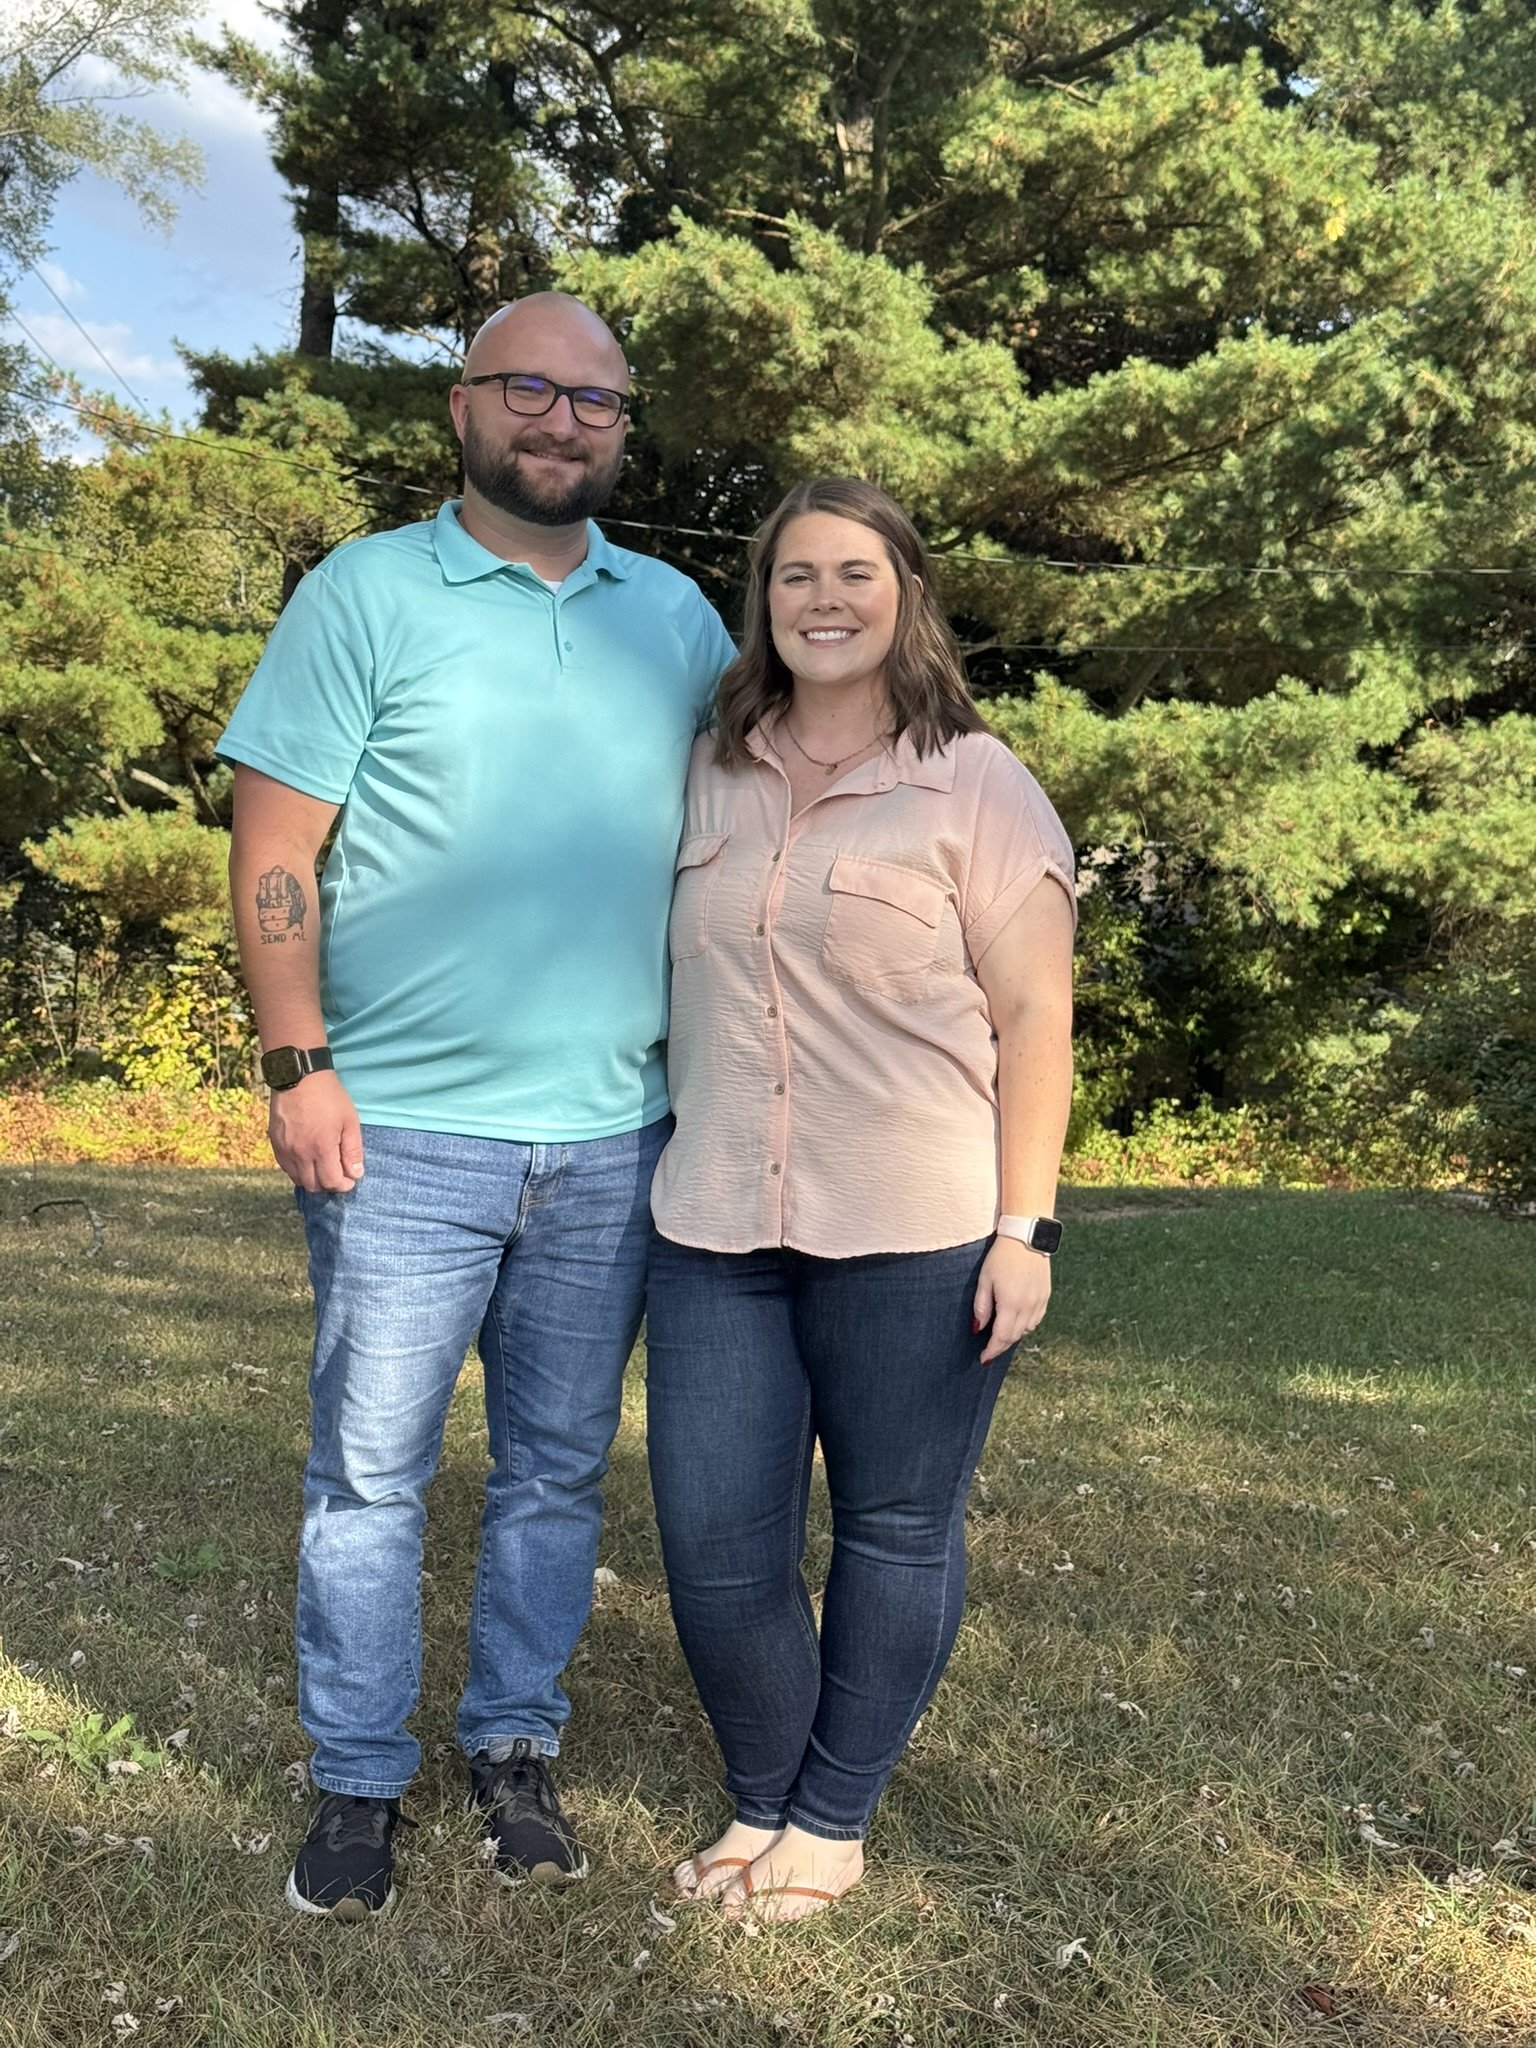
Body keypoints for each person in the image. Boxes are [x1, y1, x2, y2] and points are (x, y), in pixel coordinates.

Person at [220, 292, 735, 1921]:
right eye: (531, 388)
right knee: (370, 1478)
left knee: (553, 1476)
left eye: (598, 400)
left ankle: (513, 1747)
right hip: (399, 1133)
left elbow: (787, 803)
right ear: (464, 407)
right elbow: (275, 849)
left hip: (613, 1135)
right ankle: (357, 1780)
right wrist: (297, 1065)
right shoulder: (366, 593)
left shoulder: (681, 621)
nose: (564, 420)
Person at [646, 477, 1076, 1923]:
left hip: (919, 1232)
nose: (822, 599)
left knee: (895, 1530)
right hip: (713, 1227)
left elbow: (1037, 1024)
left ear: (907, 597)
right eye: (792, 577)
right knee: (714, 1541)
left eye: (855, 574)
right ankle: (762, 1789)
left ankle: (829, 1819)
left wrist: (1029, 1230)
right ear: (761, 602)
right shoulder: (708, 768)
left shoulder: (980, 786)